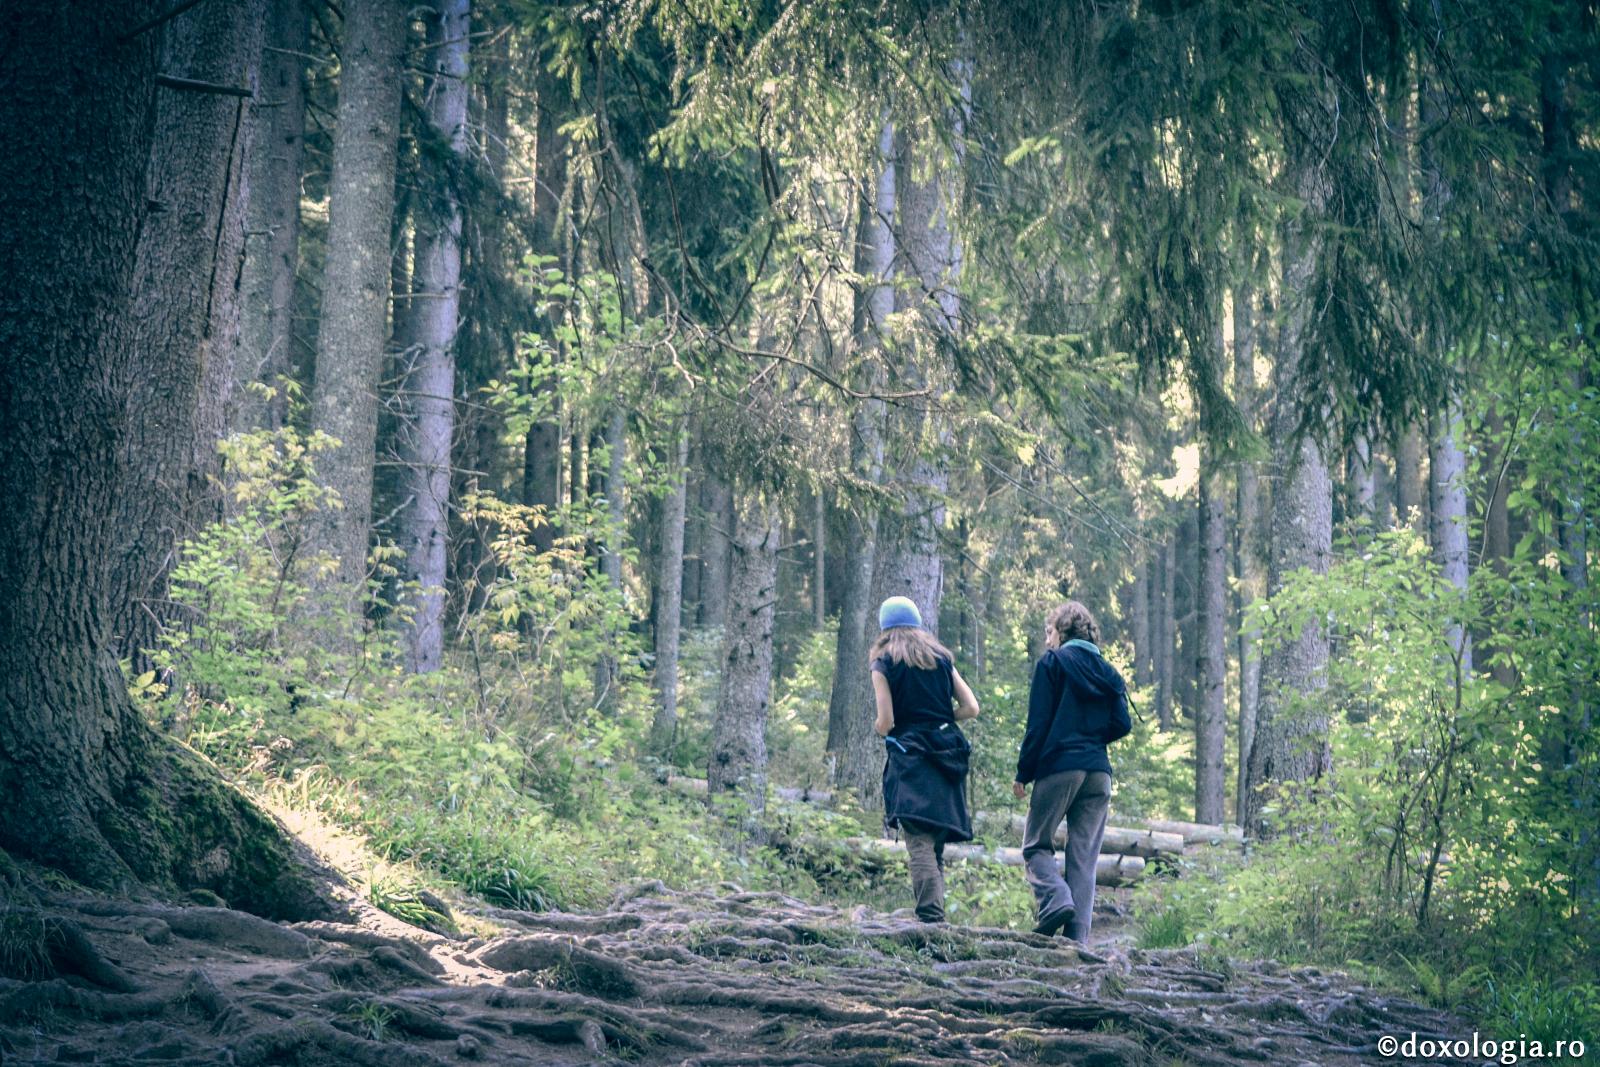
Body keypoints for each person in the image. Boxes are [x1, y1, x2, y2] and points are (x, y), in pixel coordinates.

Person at [1013, 601, 1132, 940]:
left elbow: (1037, 724)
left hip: (1059, 767)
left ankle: (1055, 899)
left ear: (1062, 632)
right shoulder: (1107, 671)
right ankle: (1077, 938)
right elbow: (1122, 723)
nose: (1047, 640)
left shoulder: (1052, 663)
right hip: (1099, 773)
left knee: (1035, 845)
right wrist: (1092, 738)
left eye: (1049, 632)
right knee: (1083, 856)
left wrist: (1024, 773)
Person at [871, 595, 980, 923]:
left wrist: (882, 728)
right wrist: (942, 718)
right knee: (935, 844)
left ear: (884, 628)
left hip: (912, 758)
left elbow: (886, 721)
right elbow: (971, 707)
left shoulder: (884, 662)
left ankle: (931, 919)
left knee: (918, 841)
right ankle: (935, 915)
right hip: (947, 756)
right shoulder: (941, 658)